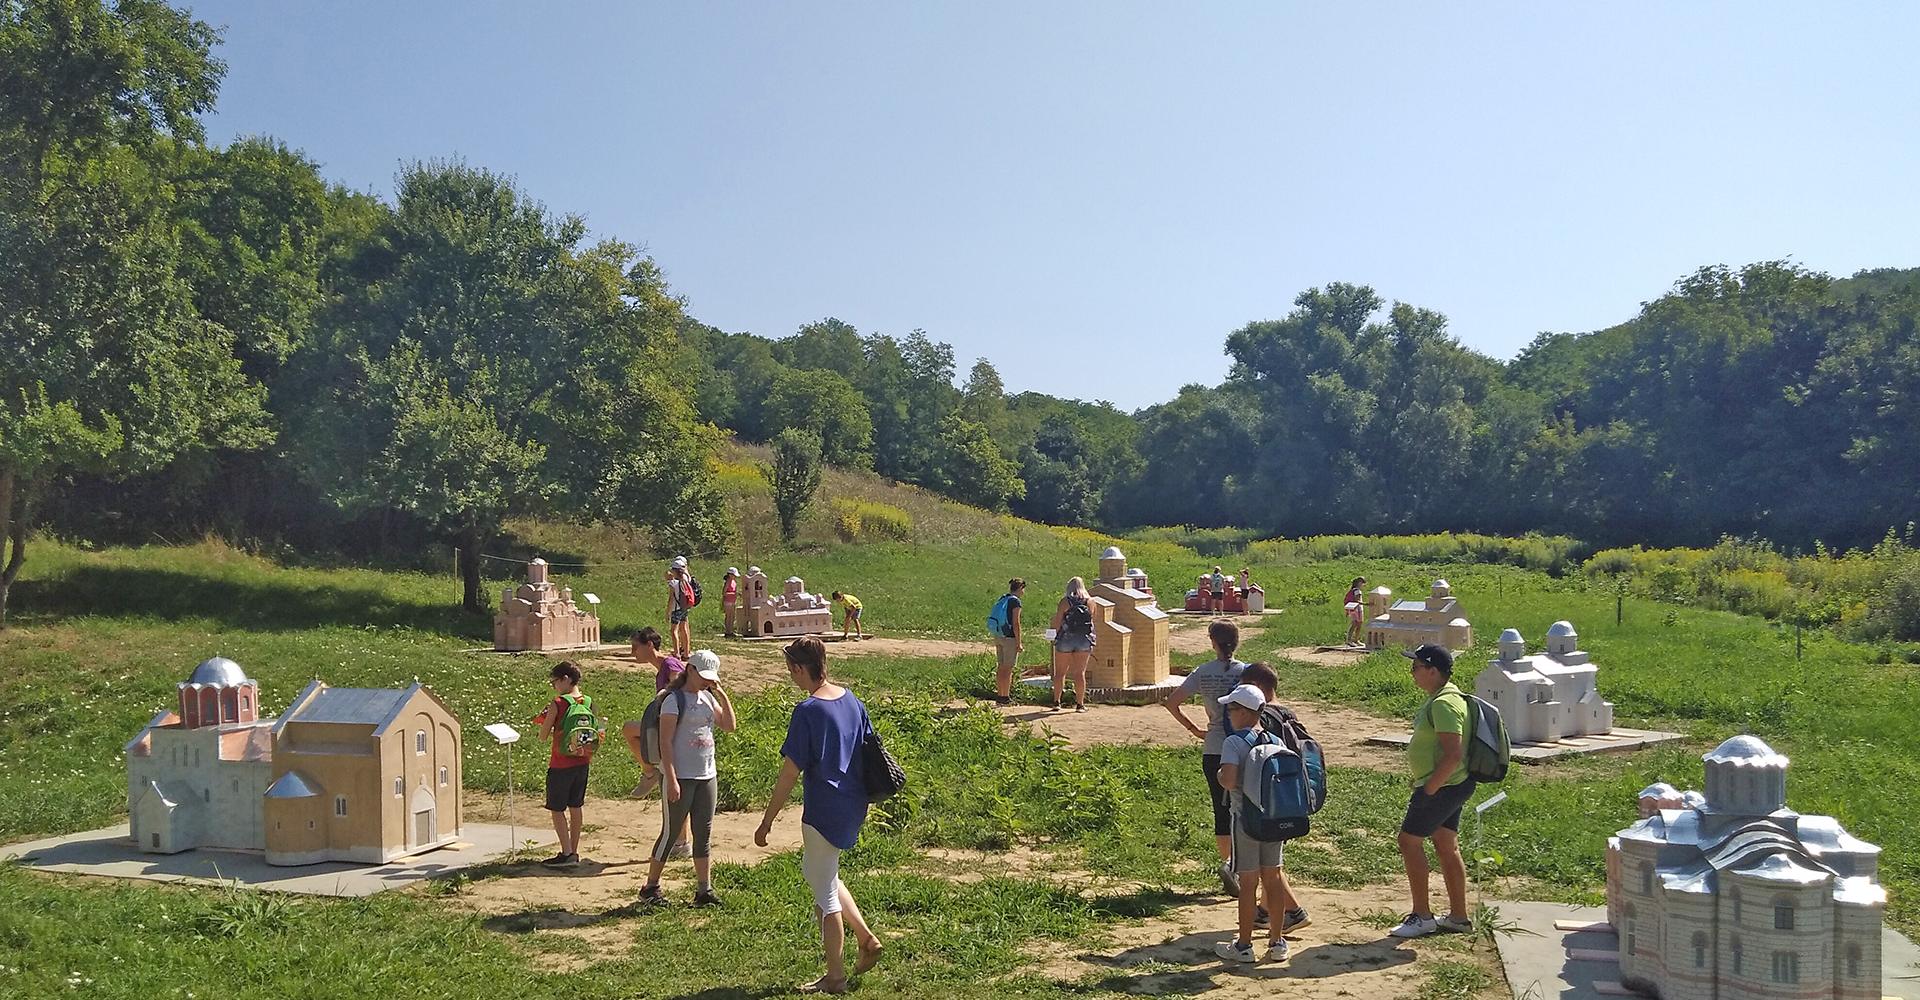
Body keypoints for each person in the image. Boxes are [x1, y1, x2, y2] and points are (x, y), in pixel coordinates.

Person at [755, 637, 884, 994]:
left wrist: (767, 821)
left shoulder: (808, 710)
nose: (790, 676)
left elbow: (789, 772)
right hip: (853, 804)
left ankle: (836, 976)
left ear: (799, 668)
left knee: (824, 895)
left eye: (790, 670)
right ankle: (866, 939)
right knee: (822, 872)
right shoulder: (851, 700)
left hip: (823, 809)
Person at [1390, 644, 1476, 939]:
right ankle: (1458, 917)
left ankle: (1422, 916)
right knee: (1445, 844)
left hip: (1443, 787)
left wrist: (1429, 788)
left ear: (1433, 671)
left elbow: (1453, 754)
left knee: (1408, 842)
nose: (1412, 672)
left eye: (1416, 667)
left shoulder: (1444, 704)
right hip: (1452, 784)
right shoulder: (1445, 697)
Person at [638, 650, 736, 906]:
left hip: (706, 774)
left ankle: (704, 890)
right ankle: (650, 887)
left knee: (703, 833)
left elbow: (729, 725)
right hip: (680, 776)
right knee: (671, 832)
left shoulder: (707, 698)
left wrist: (722, 694)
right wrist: (671, 778)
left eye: (711, 677)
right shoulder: (673, 700)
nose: (707, 681)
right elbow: (665, 742)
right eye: (703, 676)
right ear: (690, 670)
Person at [1163, 619, 1246, 896]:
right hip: (1244, 747)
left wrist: (1195, 729)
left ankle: (1230, 865)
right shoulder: (1245, 672)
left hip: (1214, 747)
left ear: (1213, 642)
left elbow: (1172, 702)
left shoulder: (1203, 672)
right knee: (1246, 807)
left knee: (1221, 810)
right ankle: (1247, 865)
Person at [1213, 684, 1291, 964]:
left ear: (1244, 712)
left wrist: (1220, 775)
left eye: (1231, 709)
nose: (1229, 714)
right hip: (1274, 819)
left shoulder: (1233, 743)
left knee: (1248, 882)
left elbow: (1229, 780)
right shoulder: (1276, 740)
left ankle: (1244, 945)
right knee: (1273, 878)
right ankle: (1277, 942)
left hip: (1245, 819)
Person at [1233, 662, 1310, 934]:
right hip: (1287, 798)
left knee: (1270, 869)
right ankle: (1265, 913)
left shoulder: (1265, 719)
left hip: (1263, 802)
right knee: (1273, 863)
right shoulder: (1288, 713)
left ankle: (1295, 912)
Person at [533, 661, 593, 867]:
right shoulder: (588, 701)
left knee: (557, 808)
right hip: (582, 761)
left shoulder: (558, 703)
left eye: (555, 682)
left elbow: (543, 736)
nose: (554, 686)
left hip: (560, 763)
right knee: (576, 806)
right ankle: (574, 851)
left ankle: (566, 853)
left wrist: (549, 728)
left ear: (565, 679)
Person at [622, 627, 684, 799]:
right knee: (630, 729)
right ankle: (650, 773)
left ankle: (650, 774)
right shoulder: (662, 668)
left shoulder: (670, 664)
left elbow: (680, 690)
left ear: (649, 645)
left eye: (635, 647)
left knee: (629, 729)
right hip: (665, 722)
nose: (633, 652)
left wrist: (664, 695)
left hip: (675, 726)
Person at [1049, 577, 1096, 712]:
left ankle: (1057, 702)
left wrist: (1055, 636)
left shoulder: (1065, 601)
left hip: (1066, 639)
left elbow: (1058, 621)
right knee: (1080, 673)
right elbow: (1092, 621)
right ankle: (1080, 704)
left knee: (1060, 673)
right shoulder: (1090, 602)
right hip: (1083, 640)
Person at [992, 579, 1026, 705]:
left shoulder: (1003, 598)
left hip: (999, 635)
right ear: (1020, 588)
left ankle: (999, 695)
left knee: (1001, 667)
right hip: (1010, 638)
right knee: (1008, 668)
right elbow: (1016, 623)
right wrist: (1019, 642)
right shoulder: (1015, 602)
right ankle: (1005, 696)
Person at [667, 564, 693, 659]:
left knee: (674, 630)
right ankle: (686, 653)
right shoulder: (685, 581)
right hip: (684, 608)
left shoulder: (673, 583)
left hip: (676, 609)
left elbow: (671, 599)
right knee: (684, 629)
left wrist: (668, 612)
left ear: (675, 571)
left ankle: (676, 653)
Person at [1344, 577, 1367, 647]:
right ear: (1359, 583)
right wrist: (1367, 604)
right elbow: (1358, 601)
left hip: (1352, 609)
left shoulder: (1352, 590)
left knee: (1356, 624)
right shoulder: (1357, 591)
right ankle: (1352, 640)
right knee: (1356, 624)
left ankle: (1353, 640)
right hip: (1357, 609)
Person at [722, 567, 741, 638]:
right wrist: (733, 594)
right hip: (728, 601)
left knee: (732, 616)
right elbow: (724, 593)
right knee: (728, 616)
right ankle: (727, 631)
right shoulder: (727, 582)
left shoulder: (734, 582)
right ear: (730, 575)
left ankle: (731, 630)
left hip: (733, 601)